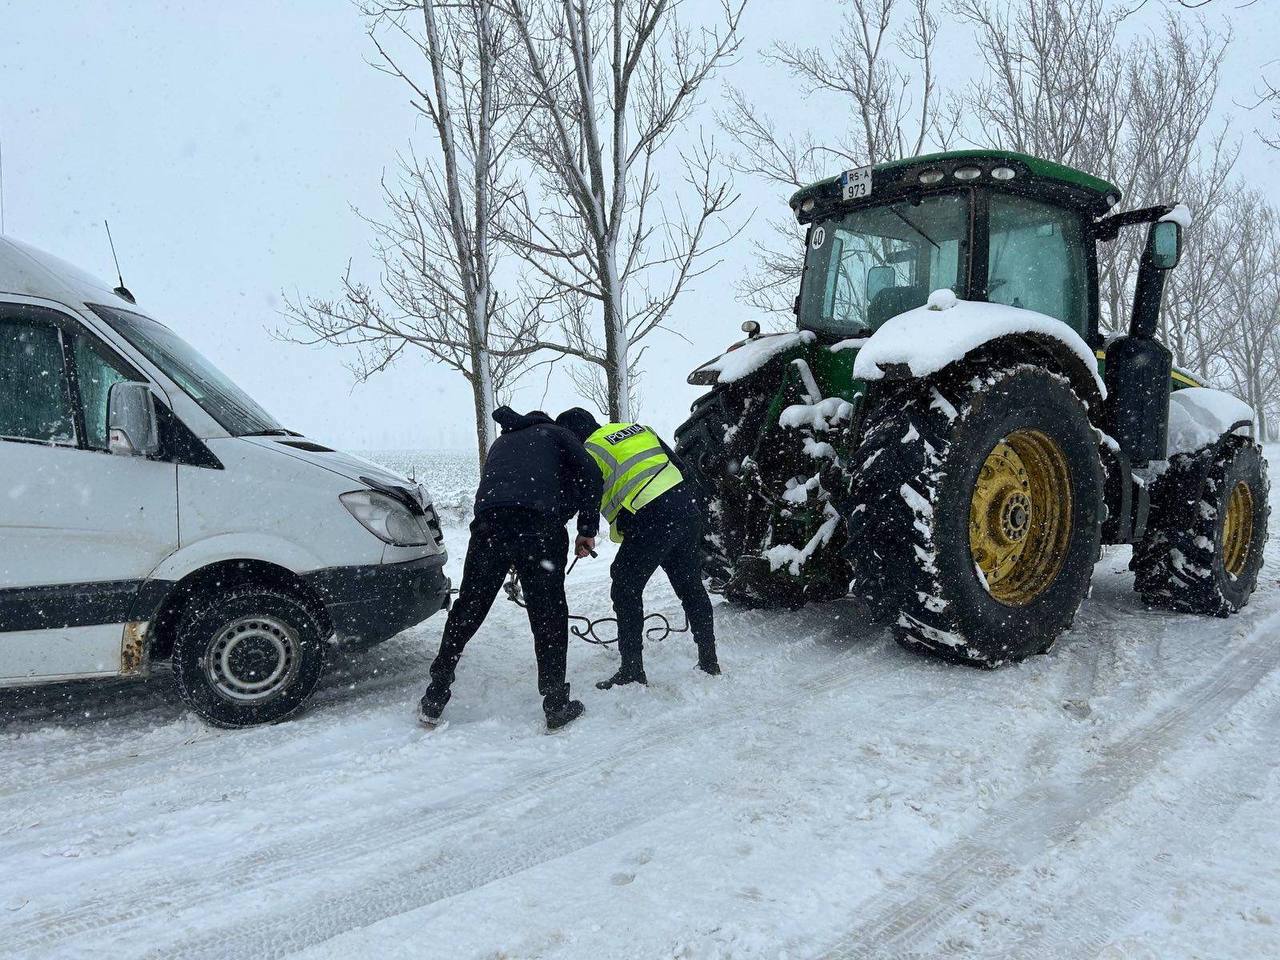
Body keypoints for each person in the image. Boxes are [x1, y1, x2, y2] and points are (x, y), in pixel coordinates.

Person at [418, 406, 601, 731]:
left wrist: (507, 542)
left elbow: (501, 491)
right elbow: (592, 475)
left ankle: (435, 693)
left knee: (469, 607)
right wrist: (586, 529)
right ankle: (556, 704)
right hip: (538, 528)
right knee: (548, 613)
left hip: (488, 527)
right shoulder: (559, 435)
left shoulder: (503, 442)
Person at [555, 407, 719, 689]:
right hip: (685, 508)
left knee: (625, 585)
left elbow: (586, 497)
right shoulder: (636, 429)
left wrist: (585, 533)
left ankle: (632, 670)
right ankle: (709, 660)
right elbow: (681, 467)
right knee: (690, 585)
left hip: (652, 516)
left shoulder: (588, 451)